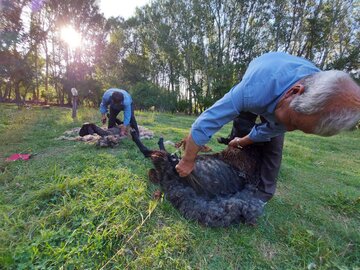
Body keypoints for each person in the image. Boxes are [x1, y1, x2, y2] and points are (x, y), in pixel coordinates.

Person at [175, 52, 360, 203]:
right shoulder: (252, 90)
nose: (288, 128)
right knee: (242, 125)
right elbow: (207, 122)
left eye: (298, 128)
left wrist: (245, 141)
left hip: (285, 94)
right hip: (264, 81)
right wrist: (188, 160)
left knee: (273, 145)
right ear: (293, 93)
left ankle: (263, 194)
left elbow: (269, 130)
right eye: (294, 123)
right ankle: (233, 172)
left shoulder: (317, 98)